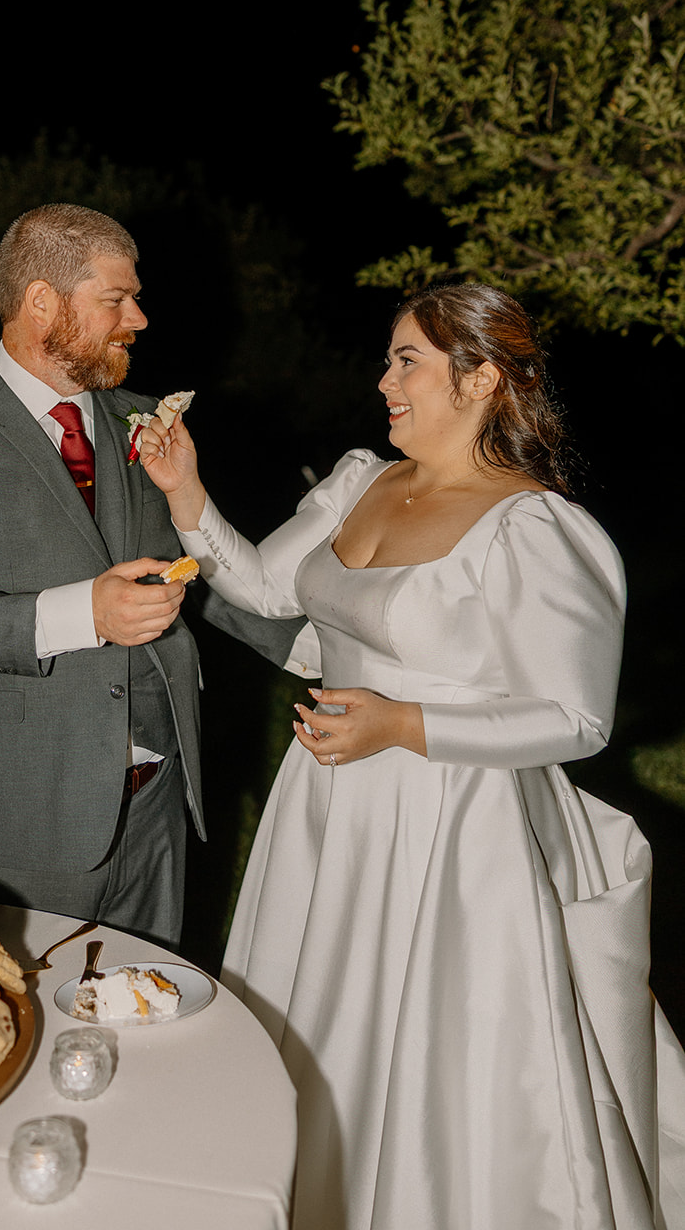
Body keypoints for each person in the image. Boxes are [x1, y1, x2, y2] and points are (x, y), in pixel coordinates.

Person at [140, 283, 685, 1230]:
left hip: (452, 828)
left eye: (407, 362)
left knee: (437, 1052)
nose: (382, 379)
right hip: (324, 806)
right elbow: (266, 588)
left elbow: (576, 717)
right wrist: (185, 489)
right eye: (388, 358)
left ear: (477, 379)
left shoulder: (536, 529)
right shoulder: (359, 480)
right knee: (316, 1016)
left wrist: (401, 726)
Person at [0, 201, 239, 949]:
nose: (137, 319)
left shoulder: (143, 421)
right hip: (31, 819)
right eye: (115, 299)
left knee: (151, 1017)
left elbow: (204, 572)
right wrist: (86, 615)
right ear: (42, 301)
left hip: (158, 811)